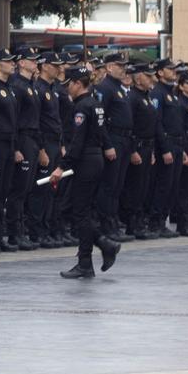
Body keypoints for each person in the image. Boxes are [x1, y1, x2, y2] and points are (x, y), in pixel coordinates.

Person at [48, 64, 121, 279]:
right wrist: (107, 147)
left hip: (85, 162)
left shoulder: (81, 107)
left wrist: (62, 166)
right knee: (75, 209)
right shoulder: (95, 104)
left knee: (80, 213)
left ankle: (86, 262)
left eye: (69, 84)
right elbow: (101, 131)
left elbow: (77, 142)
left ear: (78, 84)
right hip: (94, 159)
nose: (67, 88)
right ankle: (103, 243)